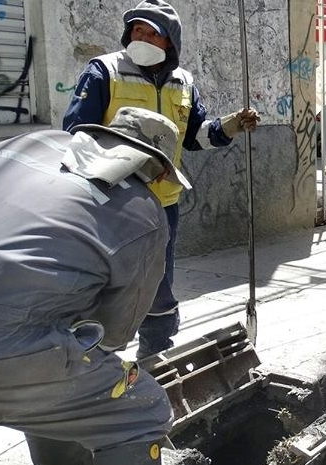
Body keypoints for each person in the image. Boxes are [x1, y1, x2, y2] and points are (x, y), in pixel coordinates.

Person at [62, 0, 260, 359]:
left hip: (162, 206)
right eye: (137, 30)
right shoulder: (104, 71)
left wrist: (228, 126)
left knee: (157, 283)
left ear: (170, 41)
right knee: (105, 284)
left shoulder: (183, 83)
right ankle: (94, 362)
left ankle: (154, 356)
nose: (142, 37)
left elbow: (194, 136)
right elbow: (76, 133)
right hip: (111, 204)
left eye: (153, 32)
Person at [0, 107, 188, 465]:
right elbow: (112, 334)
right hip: (3, 352)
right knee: (142, 409)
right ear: (159, 169)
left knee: (61, 375)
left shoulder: (30, 142)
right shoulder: (144, 213)